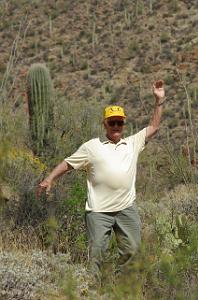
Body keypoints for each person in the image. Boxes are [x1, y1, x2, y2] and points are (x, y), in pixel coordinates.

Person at [36, 80, 166, 283]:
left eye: (119, 122)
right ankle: (94, 291)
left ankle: (121, 289)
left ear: (124, 124)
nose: (116, 126)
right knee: (97, 255)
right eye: (112, 122)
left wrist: (159, 101)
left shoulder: (132, 143)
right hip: (99, 211)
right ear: (104, 124)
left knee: (132, 251)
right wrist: (49, 178)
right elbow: (69, 163)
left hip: (126, 208)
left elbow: (154, 126)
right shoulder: (91, 147)